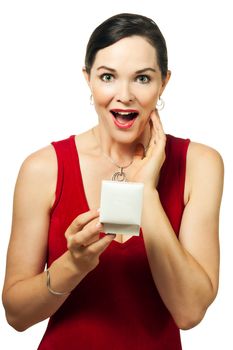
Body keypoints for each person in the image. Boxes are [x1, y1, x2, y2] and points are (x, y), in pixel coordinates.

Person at [2, 13, 224, 350]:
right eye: (108, 77)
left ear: (164, 82)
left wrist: (146, 191)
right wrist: (73, 265)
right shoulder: (43, 168)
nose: (124, 95)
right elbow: (17, 316)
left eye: (142, 79)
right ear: (88, 79)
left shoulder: (200, 164)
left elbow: (189, 311)